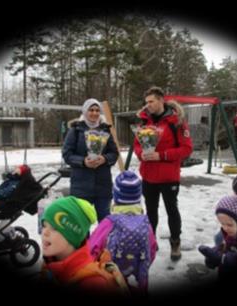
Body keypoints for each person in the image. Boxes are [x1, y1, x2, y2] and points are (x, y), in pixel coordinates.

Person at [133, 86, 193, 261]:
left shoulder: (176, 121)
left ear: (161, 100)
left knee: (171, 209)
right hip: (148, 175)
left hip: (168, 176)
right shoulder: (144, 121)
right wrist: (140, 153)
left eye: (151, 101)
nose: (148, 105)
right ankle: (151, 242)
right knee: (150, 211)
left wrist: (162, 155)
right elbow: (137, 144)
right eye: (146, 102)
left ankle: (175, 242)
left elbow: (186, 148)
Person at [89, 171, 157, 293]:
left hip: (110, 281)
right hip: (138, 282)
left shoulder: (109, 223)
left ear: (115, 197)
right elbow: (151, 251)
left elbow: (92, 249)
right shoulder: (146, 224)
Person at [40, 196, 123, 294]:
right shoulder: (50, 266)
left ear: (73, 234)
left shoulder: (92, 283)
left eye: (54, 228)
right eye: (44, 226)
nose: (44, 232)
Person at [62, 98, 119, 222]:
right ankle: (85, 242)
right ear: (85, 111)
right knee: (81, 224)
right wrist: (83, 162)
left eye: (97, 110)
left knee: (105, 224)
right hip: (81, 187)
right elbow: (67, 154)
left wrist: (104, 159)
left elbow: (114, 153)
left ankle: (103, 242)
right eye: (91, 110)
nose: (94, 113)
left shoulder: (105, 129)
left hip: (102, 186)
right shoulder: (76, 130)